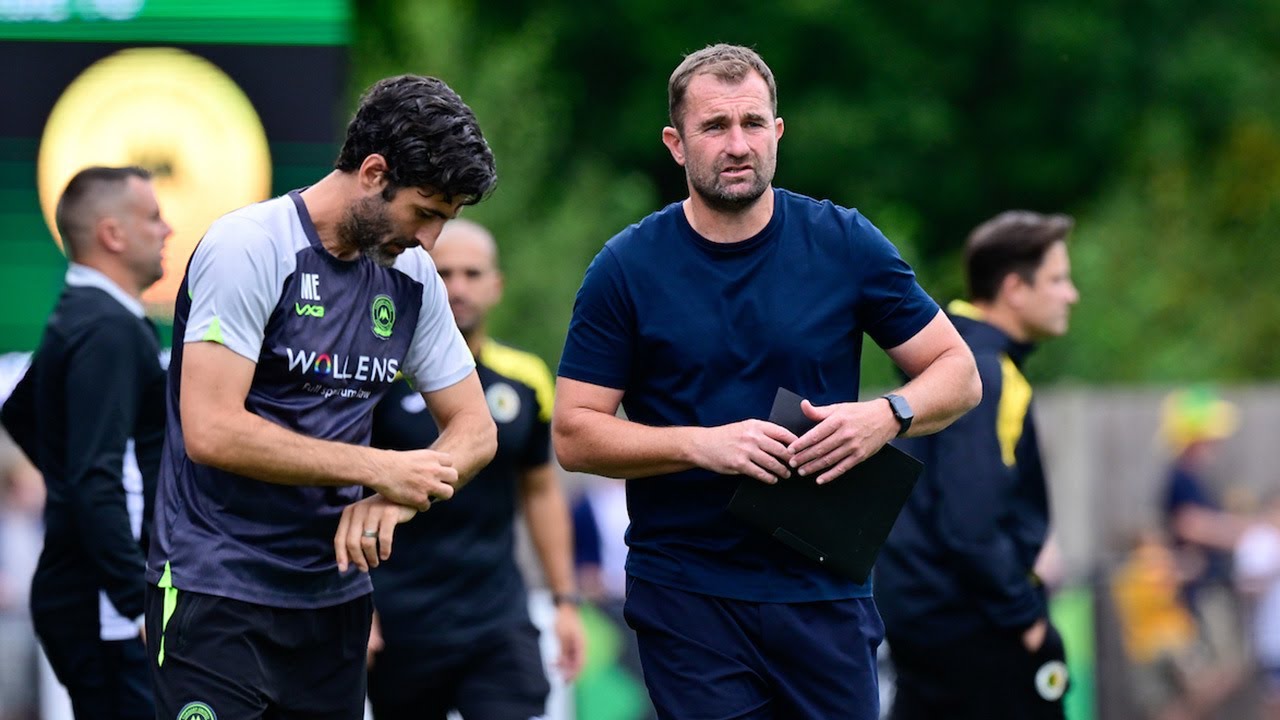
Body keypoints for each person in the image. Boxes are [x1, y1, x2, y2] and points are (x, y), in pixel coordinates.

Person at [552, 43, 981, 719]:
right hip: (688, 593)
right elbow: (574, 434)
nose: (737, 144)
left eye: (752, 123)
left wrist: (886, 414)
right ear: (675, 143)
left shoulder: (844, 242)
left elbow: (959, 373)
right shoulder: (626, 268)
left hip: (824, 584)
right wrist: (701, 445)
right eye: (714, 127)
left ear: (777, 132)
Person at [144, 75, 499, 720]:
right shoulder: (250, 246)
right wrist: (379, 467)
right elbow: (211, 430)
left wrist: (398, 498)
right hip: (216, 589)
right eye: (424, 213)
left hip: (333, 602)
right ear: (373, 173)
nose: (430, 241)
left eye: (444, 221)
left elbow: (476, 428)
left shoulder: (412, 275)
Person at [365, 218, 585, 719]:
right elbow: (340, 491)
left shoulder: (526, 378)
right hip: (401, 618)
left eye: (472, 273)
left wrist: (564, 601)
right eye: (444, 273)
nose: (458, 287)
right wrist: (356, 602)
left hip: (496, 616)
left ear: (496, 285)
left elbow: (540, 491)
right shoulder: (380, 376)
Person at [874, 211, 1080, 719]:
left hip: (926, 622)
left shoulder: (945, 358)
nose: (1071, 294)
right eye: (1057, 280)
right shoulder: (985, 372)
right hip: (973, 627)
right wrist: (1028, 620)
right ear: (1014, 289)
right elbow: (970, 522)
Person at [0, 166, 171, 720]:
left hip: (91, 595)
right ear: (111, 234)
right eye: (152, 217)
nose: (167, 229)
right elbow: (95, 475)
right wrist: (136, 603)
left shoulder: (90, 314)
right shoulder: (106, 328)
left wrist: (70, 483)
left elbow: (20, 413)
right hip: (108, 608)